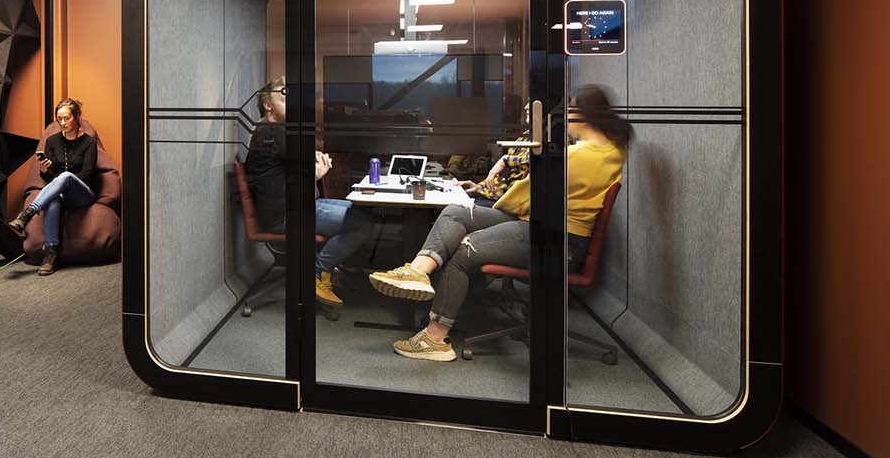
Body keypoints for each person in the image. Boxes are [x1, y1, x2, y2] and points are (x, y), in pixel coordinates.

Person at [367, 85, 631, 362]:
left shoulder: (578, 156)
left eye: (569, 111)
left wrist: (499, 205)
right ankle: (417, 271)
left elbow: (525, 195)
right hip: (541, 224)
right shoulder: (613, 151)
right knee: (458, 212)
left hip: (555, 239)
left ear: (581, 115)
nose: (565, 118)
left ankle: (434, 339)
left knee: (464, 249)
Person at [244, 77, 373, 307]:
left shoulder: (273, 132)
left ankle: (325, 268)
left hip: (294, 206)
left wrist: (313, 160)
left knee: (361, 210)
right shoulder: (271, 132)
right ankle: (317, 272)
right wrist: (314, 174)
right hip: (284, 215)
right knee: (362, 224)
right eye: (285, 98)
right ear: (268, 104)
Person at [8, 98, 99, 276]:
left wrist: (64, 179)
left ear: (77, 117)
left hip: (82, 194)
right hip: (60, 193)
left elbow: (87, 175)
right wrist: (48, 168)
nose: (63, 123)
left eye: (67, 118)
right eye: (59, 119)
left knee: (65, 176)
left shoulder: (89, 143)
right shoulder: (52, 141)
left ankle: (27, 214)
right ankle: (51, 255)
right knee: (54, 200)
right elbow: (49, 178)